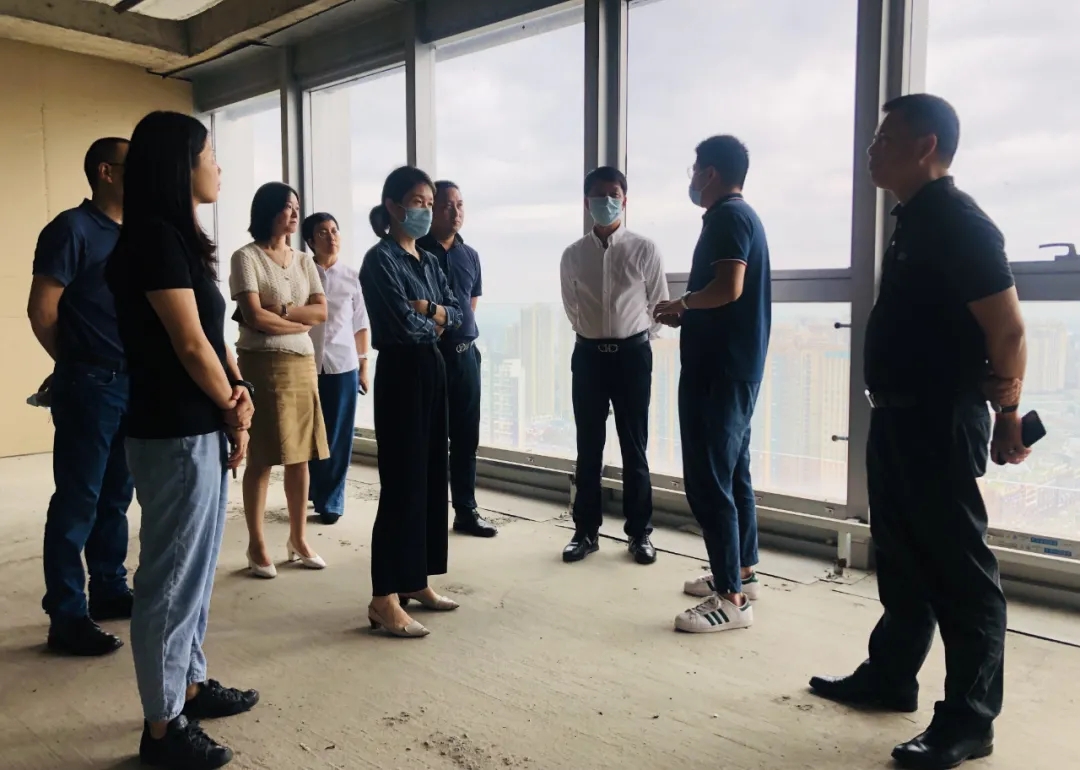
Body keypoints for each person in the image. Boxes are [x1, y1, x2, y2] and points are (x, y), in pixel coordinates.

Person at [808, 94, 1028, 770]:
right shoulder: (915, 221)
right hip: (899, 416)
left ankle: (969, 720)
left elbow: (1008, 328)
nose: (871, 149)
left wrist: (1009, 413)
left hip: (938, 420)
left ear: (925, 146)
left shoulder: (960, 222)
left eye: (885, 138)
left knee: (960, 574)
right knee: (901, 558)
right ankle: (890, 677)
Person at [106, 110, 258, 770]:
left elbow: (214, 339)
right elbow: (188, 343)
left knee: (191, 573)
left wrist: (237, 391)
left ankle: (189, 685)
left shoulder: (180, 240)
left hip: (199, 424)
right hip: (173, 430)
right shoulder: (153, 240)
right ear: (179, 165)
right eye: (209, 154)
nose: (218, 166)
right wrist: (232, 408)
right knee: (169, 581)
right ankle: (162, 727)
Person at [653, 135, 771, 633]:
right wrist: (690, 316)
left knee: (709, 481)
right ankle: (741, 572)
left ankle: (730, 598)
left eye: (696, 168)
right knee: (734, 472)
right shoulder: (740, 217)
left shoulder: (728, 218)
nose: (693, 177)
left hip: (718, 372)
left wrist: (682, 303)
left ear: (712, 173)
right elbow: (726, 300)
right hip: (733, 366)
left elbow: (728, 287)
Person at [27, 136, 135, 657]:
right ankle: (67, 616)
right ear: (105, 172)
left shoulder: (134, 234)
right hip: (90, 384)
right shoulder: (71, 229)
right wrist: (74, 363)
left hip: (131, 384)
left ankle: (109, 589)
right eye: (133, 166)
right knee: (78, 501)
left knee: (116, 496)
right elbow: (42, 310)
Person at [359, 165, 463, 638]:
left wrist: (430, 310)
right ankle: (383, 597)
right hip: (401, 373)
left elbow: (455, 316)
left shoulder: (429, 260)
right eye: (418, 202)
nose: (426, 210)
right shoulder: (379, 260)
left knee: (429, 477)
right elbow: (401, 326)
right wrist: (431, 319)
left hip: (432, 369)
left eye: (429, 203)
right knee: (401, 482)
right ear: (393, 206)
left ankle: (414, 579)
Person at [559, 166, 668, 565]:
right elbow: (572, 308)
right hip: (588, 356)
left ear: (624, 200)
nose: (606, 202)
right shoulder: (573, 254)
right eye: (599, 195)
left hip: (632, 357)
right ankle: (585, 532)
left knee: (633, 445)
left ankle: (640, 534)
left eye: (614, 195)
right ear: (586, 202)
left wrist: (631, 338)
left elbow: (658, 306)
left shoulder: (644, 249)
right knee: (588, 446)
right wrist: (595, 335)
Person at [231, 183, 329, 578]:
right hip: (262, 362)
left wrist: (284, 311)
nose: (294, 214)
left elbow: (321, 312)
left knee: (300, 455)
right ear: (268, 211)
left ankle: (298, 539)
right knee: (263, 455)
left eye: (296, 207)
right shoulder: (247, 257)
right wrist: (297, 320)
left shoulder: (304, 260)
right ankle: (256, 544)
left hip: (302, 362)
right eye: (287, 207)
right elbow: (254, 316)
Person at [418, 181, 497, 538]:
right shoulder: (417, 252)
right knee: (430, 439)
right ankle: (427, 512)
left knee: (466, 438)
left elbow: (470, 302)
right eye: (447, 205)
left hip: (466, 357)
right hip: (430, 356)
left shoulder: (471, 255)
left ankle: (465, 510)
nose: (456, 212)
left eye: (460, 205)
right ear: (432, 209)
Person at [303, 212, 370, 525]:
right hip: (305, 363)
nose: (331, 237)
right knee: (308, 433)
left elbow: (361, 325)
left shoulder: (352, 277)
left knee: (339, 435)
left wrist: (364, 366)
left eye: (334, 230)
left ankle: (332, 500)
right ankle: (312, 488)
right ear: (310, 241)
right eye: (322, 232)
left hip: (343, 365)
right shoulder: (301, 273)